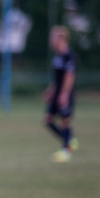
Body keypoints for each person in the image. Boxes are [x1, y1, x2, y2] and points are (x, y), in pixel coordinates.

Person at [43, 25, 79, 163]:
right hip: (57, 92)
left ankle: (66, 150)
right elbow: (57, 77)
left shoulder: (68, 55)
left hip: (65, 93)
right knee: (48, 120)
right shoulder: (58, 56)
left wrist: (64, 94)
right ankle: (69, 139)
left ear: (61, 38)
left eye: (53, 37)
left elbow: (70, 76)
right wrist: (51, 89)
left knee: (65, 121)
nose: (51, 40)